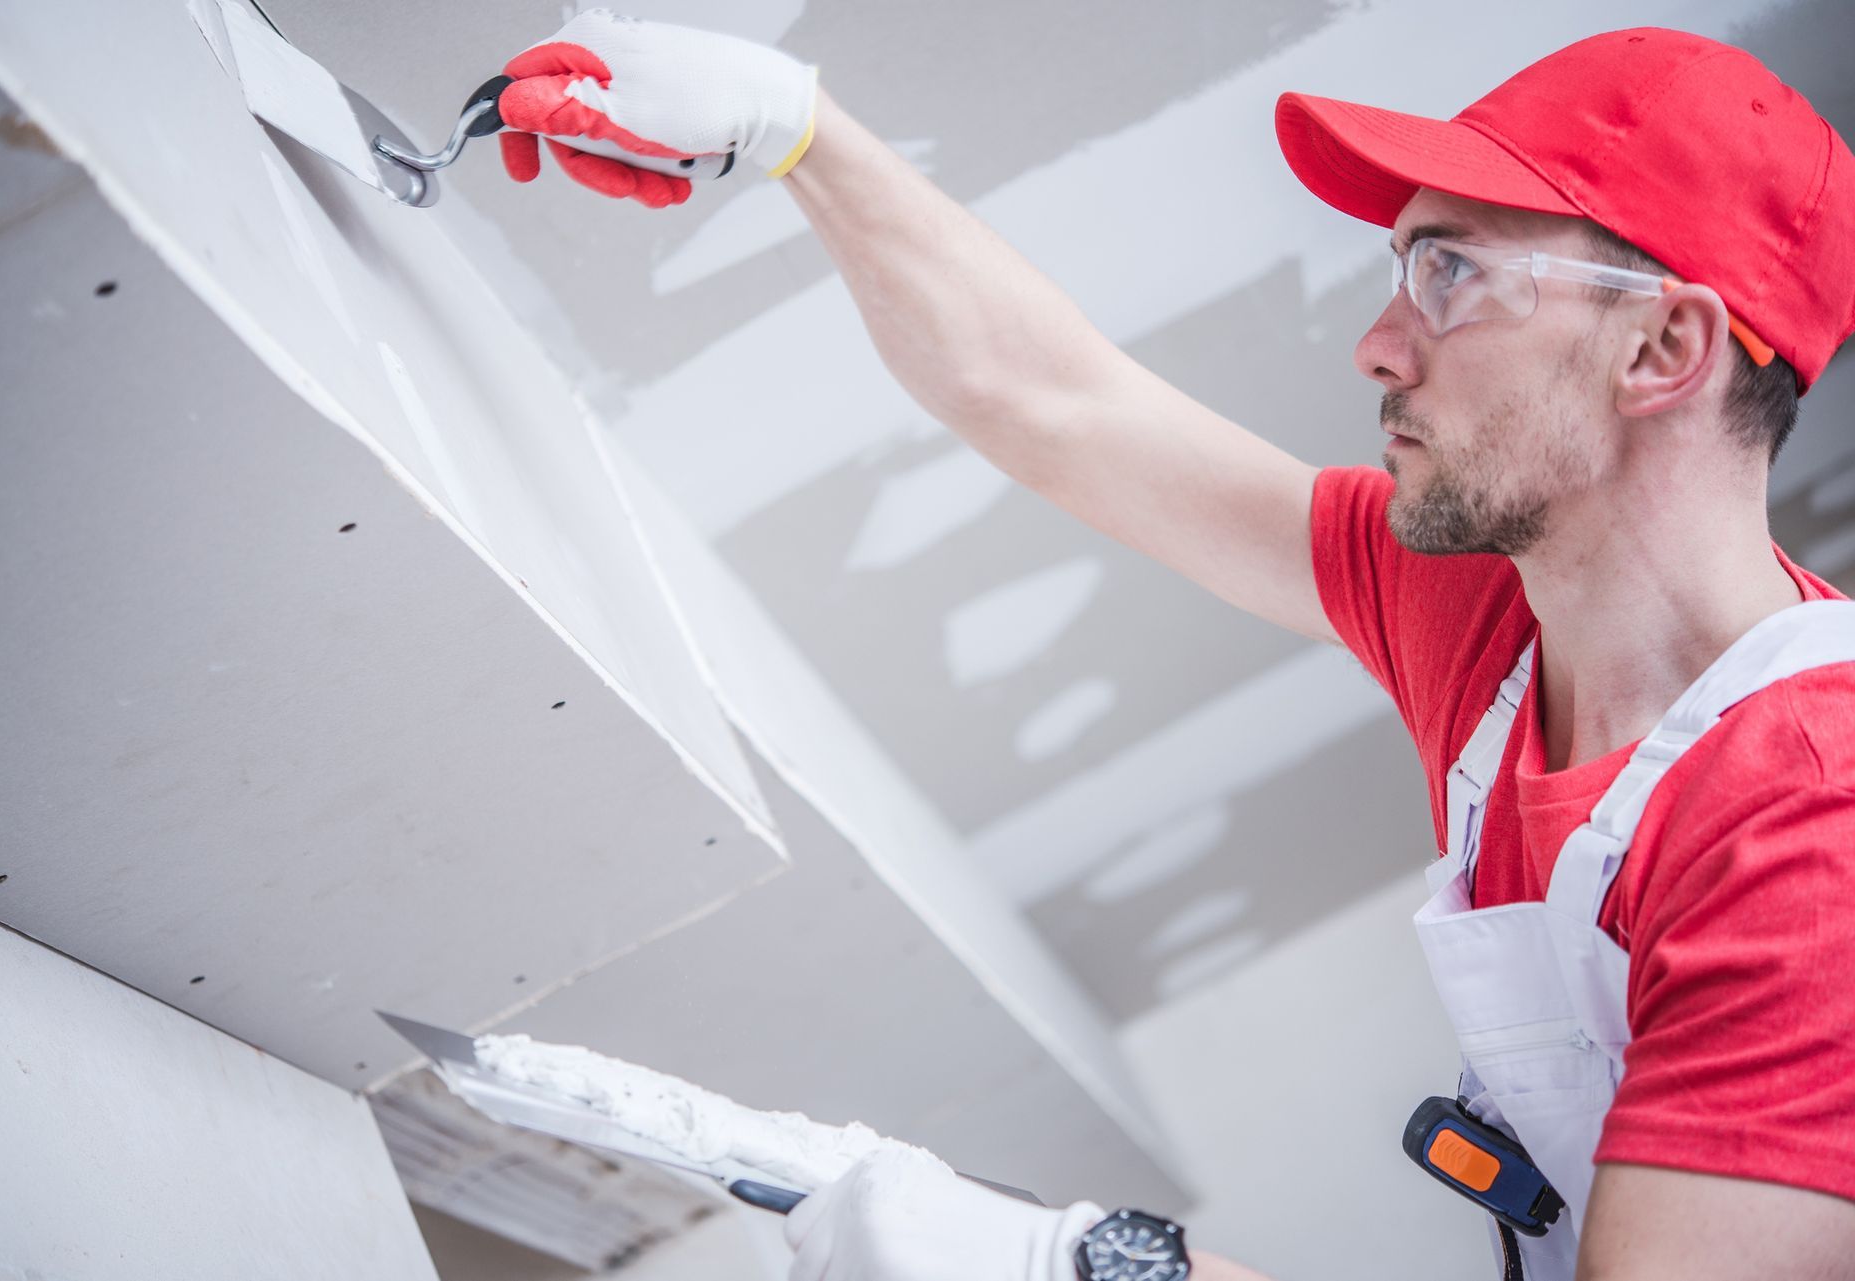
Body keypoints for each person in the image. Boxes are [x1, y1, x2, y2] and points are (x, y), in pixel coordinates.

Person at [494, 13, 1855, 1280]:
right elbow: (1058, 404)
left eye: (1451, 274)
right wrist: (799, 130)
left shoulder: (1810, 841)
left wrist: (1089, 1266)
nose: (1379, 344)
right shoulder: (1498, 627)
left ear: (1663, 345)